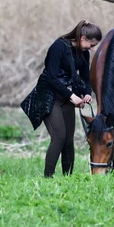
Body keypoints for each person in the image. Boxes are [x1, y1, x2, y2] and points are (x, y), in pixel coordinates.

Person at [21, 20, 102, 177]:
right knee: (59, 136)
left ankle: (68, 178)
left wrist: (86, 94)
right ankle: (47, 177)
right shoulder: (58, 47)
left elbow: (85, 77)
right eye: (91, 45)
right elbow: (51, 77)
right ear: (83, 38)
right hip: (49, 95)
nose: (92, 49)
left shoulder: (83, 53)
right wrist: (72, 96)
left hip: (66, 96)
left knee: (68, 141)